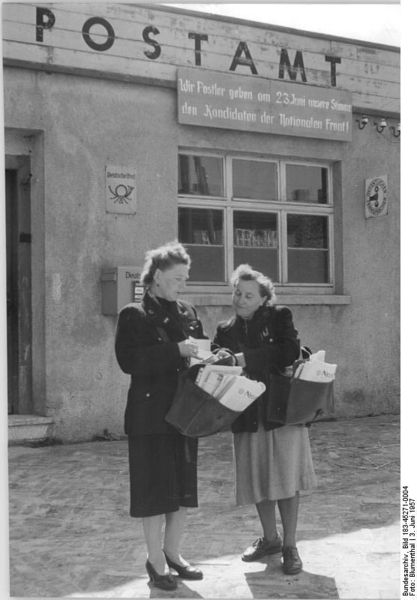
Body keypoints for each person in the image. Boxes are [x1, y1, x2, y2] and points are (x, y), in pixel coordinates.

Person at [213, 264, 317, 575]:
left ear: (263, 299)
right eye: (237, 292)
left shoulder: (279, 317)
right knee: (260, 479)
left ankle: (290, 546)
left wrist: (247, 359)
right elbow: (221, 366)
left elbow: (289, 350)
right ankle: (270, 539)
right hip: (246, 412)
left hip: (280, 411)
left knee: (286, 479)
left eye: (248, 295)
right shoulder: (225, 330)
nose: (240, 299)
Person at [115, 241, 206, 591]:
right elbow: (130, 362)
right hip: (150, 415)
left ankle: (173, 553)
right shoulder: (134, 314)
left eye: (185, 278)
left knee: (182, 489)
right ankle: (155, 561)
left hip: (186, 411)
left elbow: (199, 350)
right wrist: (176, 350)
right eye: (176, 277)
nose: (181, 284)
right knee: (154, 490)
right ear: (154, 277)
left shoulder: (187, 311)